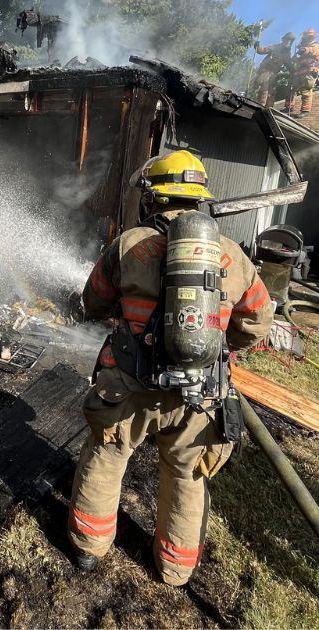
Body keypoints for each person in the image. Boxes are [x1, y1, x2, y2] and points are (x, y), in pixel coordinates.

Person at [69, 151, 273, 586]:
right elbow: (258, 321)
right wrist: (219, 347)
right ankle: (175, 570)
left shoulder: (128, 244)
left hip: (128, 389)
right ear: (200, 199)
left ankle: (88, 549)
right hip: (200, 395)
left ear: (153, 198)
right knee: (187, 474)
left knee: (106, 457)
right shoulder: (231, 255)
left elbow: (93, 301)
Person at [254, 32, 296, 106]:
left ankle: (269, 108)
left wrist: (294, 71)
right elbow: (261, 51)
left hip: (274, 74)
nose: (288, 42)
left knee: (272, 92)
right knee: (264, 90)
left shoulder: (287, 54)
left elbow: (289, 65)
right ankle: (260, 106)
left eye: (290, 41)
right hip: (265, 72)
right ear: (283, 40)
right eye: (287, 40)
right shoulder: (274, 47)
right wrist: (257, 46)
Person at [286, 28, 319, 116]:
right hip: (299, 71)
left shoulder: (316, 45)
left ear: (311, 37)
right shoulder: (302, 48)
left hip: (310, 70)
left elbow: (313, 51)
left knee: (306, 90)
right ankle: (288, 107)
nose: (305, 39)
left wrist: (304, 50)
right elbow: (297, 59)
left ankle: (305, 110)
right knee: (290, 87)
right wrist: (295, 58)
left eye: (307, 37)